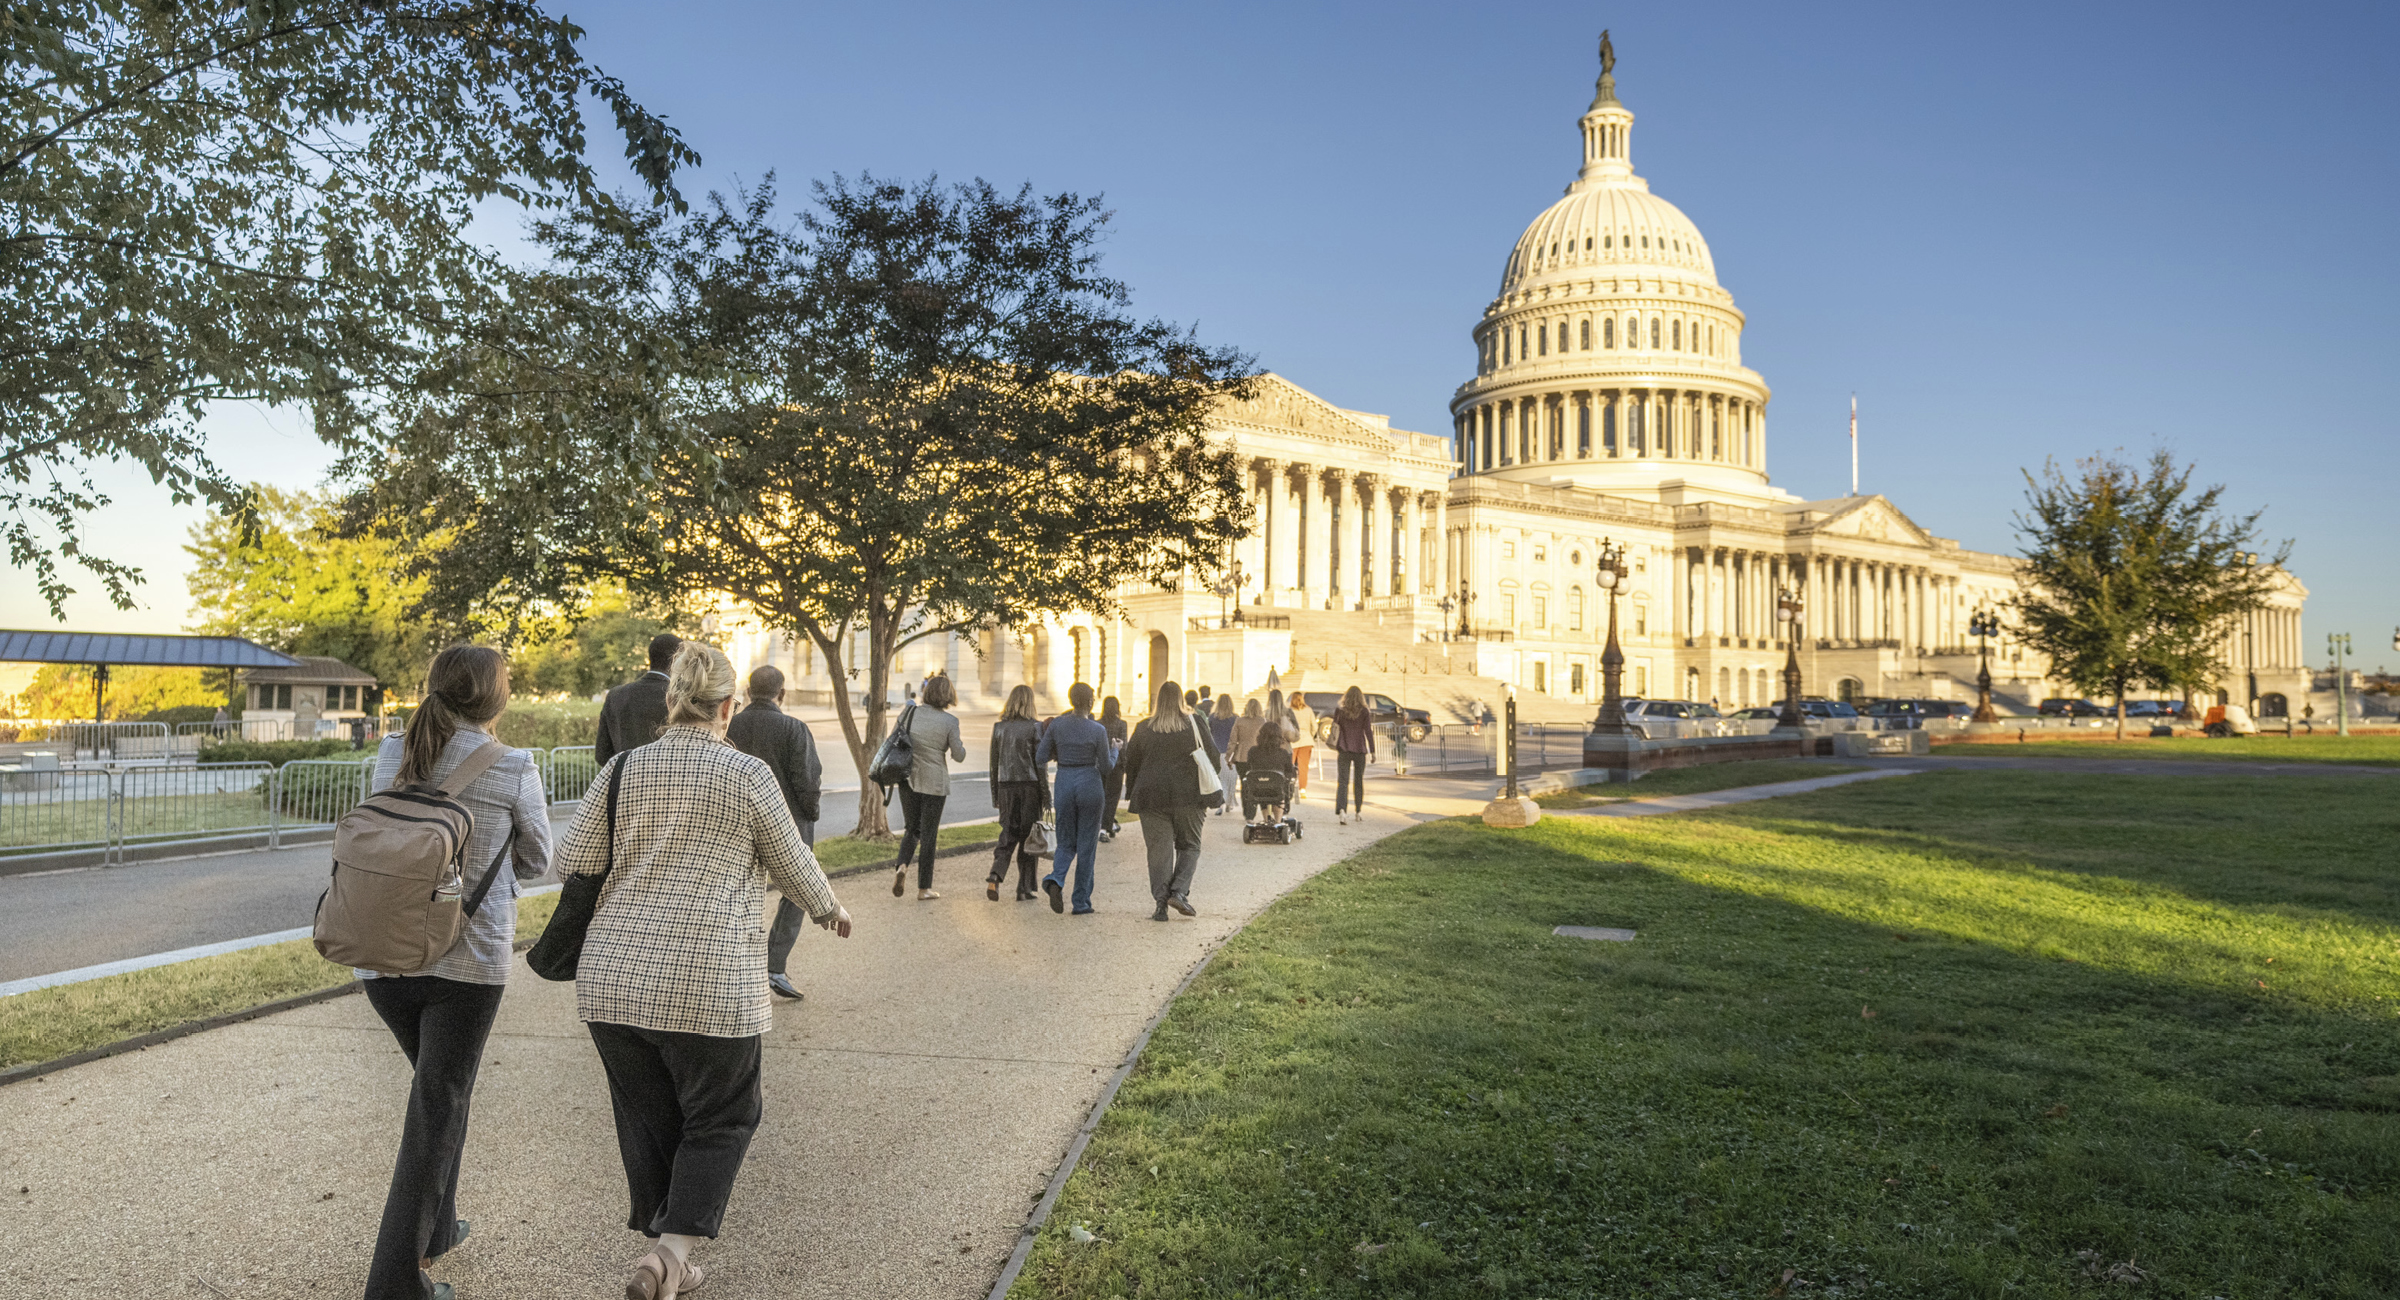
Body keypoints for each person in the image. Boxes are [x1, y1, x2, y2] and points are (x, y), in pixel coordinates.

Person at [553, 642, 852, 1300]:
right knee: (724, 1115)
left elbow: (571, 855)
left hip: (612, 978)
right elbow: (791, 859)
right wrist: (830, 910)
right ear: (727, 706)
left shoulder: (623, 770)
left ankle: (670, 1253)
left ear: (670, 701)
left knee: (652, 1114)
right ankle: (670, 1255)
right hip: (709, 975)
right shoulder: (746, 775)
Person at [358, 645, 552, 1300]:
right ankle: (396, 1284)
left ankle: (436, 1231)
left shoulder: (394, 752)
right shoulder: (514, 766)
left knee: (438, 1094)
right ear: (495, 700)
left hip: (381, 955)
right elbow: (537, 858)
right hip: (466, 962)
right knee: (440, 1102)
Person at [724, 664, 822, 1002]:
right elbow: (807, 780)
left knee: (733, 891)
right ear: (781, 693)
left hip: (735, 821)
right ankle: (774, 964)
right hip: (788, 822)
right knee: (796, 892)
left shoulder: (728, 725)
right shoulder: (794, 728)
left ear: (749, 692)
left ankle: (734, 965)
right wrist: (810, 816)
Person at [1117, 680, 1224, 922]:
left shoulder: (1144, 727)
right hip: (1190, 796)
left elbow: (1130, 762)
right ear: (1180, 700)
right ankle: (1178, 892)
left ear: (1158, 701)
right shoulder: (1194, 723)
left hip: (1151, 797)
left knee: (1159, 852)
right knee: (1190, 846)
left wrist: (1132, 791)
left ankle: (1160, 905)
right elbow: (1214, 757)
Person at [1037, 682, 1113, 914]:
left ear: (1070, 700)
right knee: (1087, 846)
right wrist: (1117, 750)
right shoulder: (1098, 730)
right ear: (1091, 702)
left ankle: (1056, 879)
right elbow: (1107, 766)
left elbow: (1040, 757)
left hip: (1065, 780)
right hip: (1089, 780)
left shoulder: (1058, 725)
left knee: (1065, 841)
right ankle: (1080, 902)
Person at [892, 673, 966, 900]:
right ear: (948, 696)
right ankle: (924, 888)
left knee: (911, 828)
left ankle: (902, 866)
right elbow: (959, 755)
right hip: (934, 783)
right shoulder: (950, 722)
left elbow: (894, 739)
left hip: (908, 778)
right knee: (929, 835)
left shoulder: (909, 712)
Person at [986, 685, 1045, 902]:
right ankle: (1025, 887)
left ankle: (995, 874)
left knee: (1007, 834)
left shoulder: (999, 727)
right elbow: (1041, 766)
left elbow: (993, 765)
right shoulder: (1035, 728)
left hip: (1005, 786)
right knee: (1029, 838)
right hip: (1029, 786)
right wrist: (1046, 797)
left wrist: (995, 796)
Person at [595, 632, 684, 767]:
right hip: (670, 782)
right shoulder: (681, 698)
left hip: (625, 782)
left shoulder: (615, 696)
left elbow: (602, 755)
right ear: (676, 660)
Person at [1330, 685, 1375, 824]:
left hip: (1344, 748)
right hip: (1359, 749)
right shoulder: (1364, 712)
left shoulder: (1340, 710)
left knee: (1342, 781)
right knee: (1358, 781)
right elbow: (1368, 731)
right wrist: (1372, 751)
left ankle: (1342, 811)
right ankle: (1358, 811)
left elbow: (1334, 727)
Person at [1096, 695, 1130, 841]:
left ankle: (1106, 825)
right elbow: (1124, 746)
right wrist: (1126, 764)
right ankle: (1105, 827)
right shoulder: (1122, 724)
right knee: (1113, 797)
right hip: (1116, 765)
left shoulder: (1098, 724)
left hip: (1101, 764)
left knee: (1102, 795)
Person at [1229, 697, 1266, 820]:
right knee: (1256, 784)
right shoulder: (1263, 722)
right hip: (1259, 757)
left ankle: (1248, 814)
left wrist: (1229, 756)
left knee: (1245, 784)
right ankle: (1253, 810)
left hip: (1242, 756)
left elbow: (1233, 741)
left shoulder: (1239, 721)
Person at [1207, 695, 1239, 816]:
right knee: (1231, 779)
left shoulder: (1212, 718)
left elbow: (1209, 734)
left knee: (1219, 780)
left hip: (1216, 752)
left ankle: (1220, 803)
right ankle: (1229, 803)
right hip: (1231, 753)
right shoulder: (1235, 718)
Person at [1286, 690, 1318, 799]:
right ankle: (1302, 789)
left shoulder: (1290, 711)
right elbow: (1314, 726)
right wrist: (1310, 735)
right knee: (1303, 767)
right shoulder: (1308, 710)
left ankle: (1289, 785)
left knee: (1289, 765)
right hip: (1306, 740)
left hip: (1293, 741)